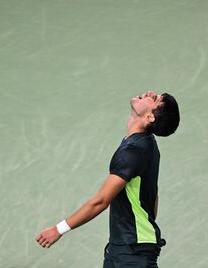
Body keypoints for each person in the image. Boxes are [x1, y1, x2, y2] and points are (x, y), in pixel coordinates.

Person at [36, 90, 180, 268]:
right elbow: (153, 193)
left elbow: (101, 201)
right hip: (123, 247)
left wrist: (59, 229)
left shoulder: (133, 151)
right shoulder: (145, 143)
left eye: (155, 99)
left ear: (150, 117)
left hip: (133, 251)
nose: (150, 93)